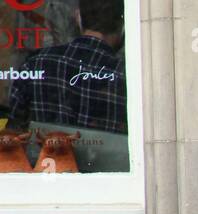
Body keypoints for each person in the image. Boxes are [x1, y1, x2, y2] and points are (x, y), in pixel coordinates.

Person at [7, 0, 127, 136]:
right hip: (109, 157)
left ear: (78, 17)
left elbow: (14, 133)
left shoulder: (36, 63)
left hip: (42, 155)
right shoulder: (127, 75)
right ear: (123, 25)